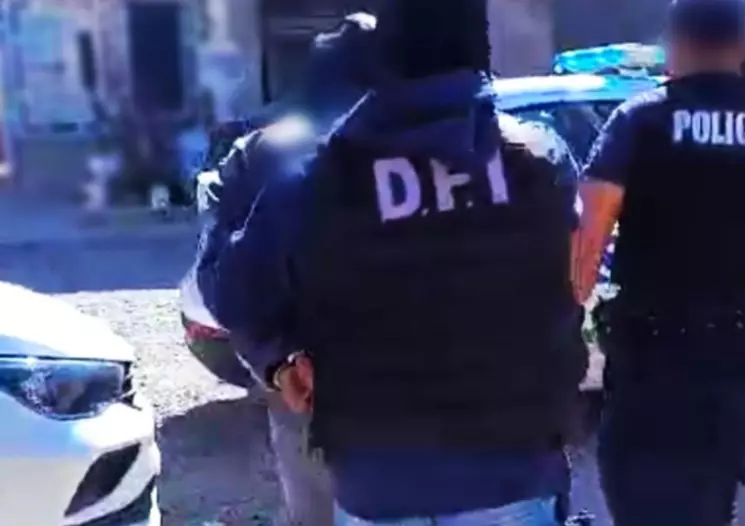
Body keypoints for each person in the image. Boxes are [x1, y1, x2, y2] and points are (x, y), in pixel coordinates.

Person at [202, 0, 588, 524]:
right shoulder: (540, 159)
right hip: (515, 474)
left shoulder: (314, 180)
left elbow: (234, 293)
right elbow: (571, 279)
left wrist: (277, 359)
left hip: (379, 484)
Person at [571, 1, 745, 525]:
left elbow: (587, 238)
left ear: (675, 41)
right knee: (711, 489)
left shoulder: (640, 119)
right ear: (743, 46)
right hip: (742, 351)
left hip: (651, 352)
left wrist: (566, 324)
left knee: (636, 488)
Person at [195, 13, 380, 526]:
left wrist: (276, 359)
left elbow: (224, 283)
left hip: (306, 380)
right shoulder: (420, 142)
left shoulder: (264, 148)